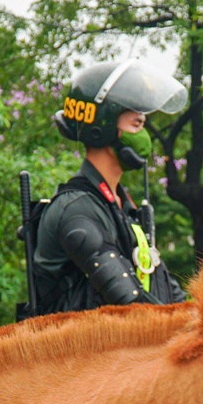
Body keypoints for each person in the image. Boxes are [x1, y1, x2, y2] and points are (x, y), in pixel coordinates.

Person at [29, 60, 188, 314]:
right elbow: (133, 306)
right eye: (136, 124)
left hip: (121, 351)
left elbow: (170, 295)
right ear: (101, 129)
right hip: (77, 351)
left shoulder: (123, 209)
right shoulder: (76, 211)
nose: (144, 137)